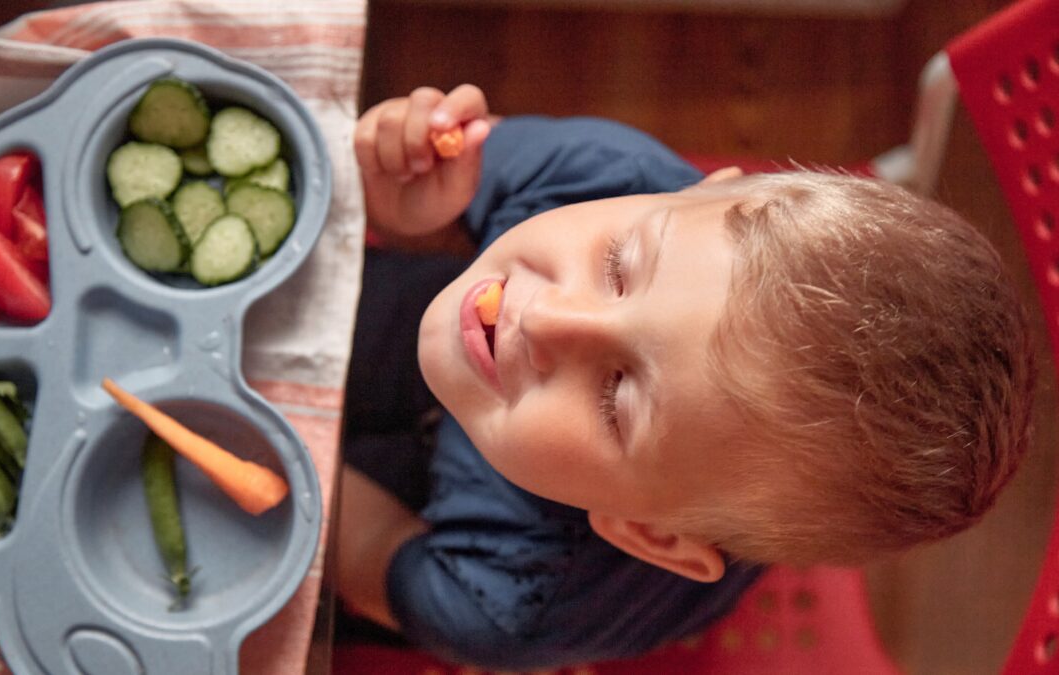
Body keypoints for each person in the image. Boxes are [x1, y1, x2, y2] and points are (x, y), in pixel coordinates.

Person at [335, 84, 1036, 670]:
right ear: (700, 194)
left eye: (617, 397)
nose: (545, 317)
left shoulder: (514, 598)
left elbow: (363, 546)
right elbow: (435, 190)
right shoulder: (606, 176)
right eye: (618, 266)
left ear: (652, 534)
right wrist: (414, 205)